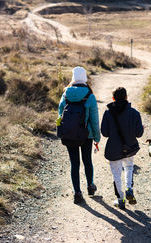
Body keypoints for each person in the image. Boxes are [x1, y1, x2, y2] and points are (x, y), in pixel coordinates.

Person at [58, 66, 100, 204]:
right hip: (86, 136)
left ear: (73, 78)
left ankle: (77, 193)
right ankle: (90, 186)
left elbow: (60, 116)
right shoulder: (90, 96)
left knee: (74, 163)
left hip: (70, 135)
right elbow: (94, 120)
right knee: (87, 160)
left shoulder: (65, 95)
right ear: (85, 78)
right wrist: (97, 138)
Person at [101, 87, 144, 209]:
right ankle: (129, 188)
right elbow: (139, 134)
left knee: (116, 174)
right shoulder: (135, 113)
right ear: (126, 97)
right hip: (129, 147)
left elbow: (105, 133)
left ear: (113, 98)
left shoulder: (108, 113)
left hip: (113, 149)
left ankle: (120, 199)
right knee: (129, 167)